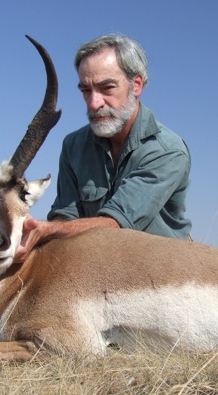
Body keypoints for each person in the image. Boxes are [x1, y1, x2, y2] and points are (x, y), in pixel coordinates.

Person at [15, 34, 191, 261]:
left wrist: (44, 230)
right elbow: (65, 216)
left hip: (162, 273)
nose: (94, 103)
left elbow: (116, 224)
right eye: (85, 91)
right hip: (95, 268)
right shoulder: (73, 145)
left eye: (106, 88)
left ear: (136, 85)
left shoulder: (168, 150)